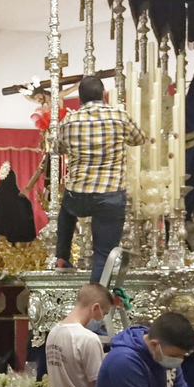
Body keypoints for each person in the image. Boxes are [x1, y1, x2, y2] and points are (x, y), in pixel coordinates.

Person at [55, 75, 144, 278]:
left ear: (80, 98)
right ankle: (95, 299)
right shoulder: (119, 116)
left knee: (66, 211)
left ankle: (61, 256)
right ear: (104, 95)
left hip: (78, 196)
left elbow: (57, 148)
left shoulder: (69, 120)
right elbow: (139, 138)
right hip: (110, 195)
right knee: (103, 255)